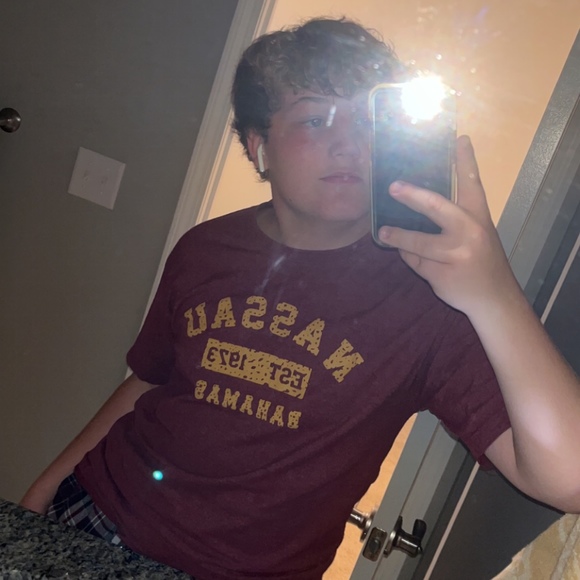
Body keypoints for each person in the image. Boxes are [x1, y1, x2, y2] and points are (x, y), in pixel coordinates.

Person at [20, 16, 580, 580]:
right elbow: (148, 381)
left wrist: (494, 294)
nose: (350, 143)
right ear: (259, 146)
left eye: (369, 120)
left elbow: (571, 480)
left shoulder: (429, 292)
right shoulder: (205, 248)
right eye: (316, 118)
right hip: (95, 516)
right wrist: (43, 490)